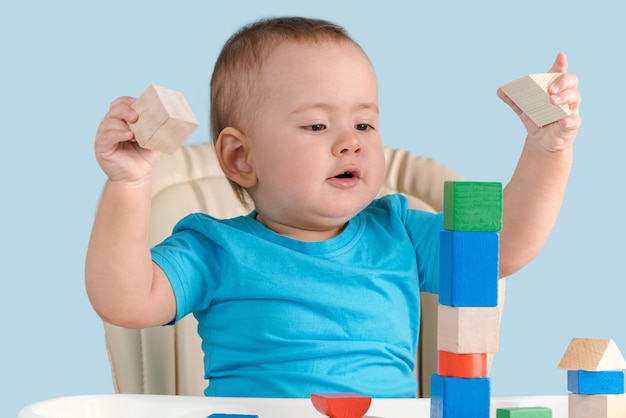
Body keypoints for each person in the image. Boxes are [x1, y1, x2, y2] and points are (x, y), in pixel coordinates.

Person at [85, 16, 581, 398]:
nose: (351, 143)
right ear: (241, 156)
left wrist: (548, 149)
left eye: (365, 124)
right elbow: (125, 301)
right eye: (318, 126)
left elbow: (500, 251)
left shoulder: (400, 232)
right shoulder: (216, 248)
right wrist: (130, 183)